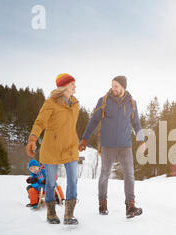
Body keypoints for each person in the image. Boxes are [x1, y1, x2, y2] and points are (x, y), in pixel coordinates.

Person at [78, 75, 146, 218]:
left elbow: (136, 124)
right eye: (112, 85)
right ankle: (102, 203)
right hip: (107, 145)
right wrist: (84, 139)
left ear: (123, 87)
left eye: (116, 86)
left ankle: (130, 206)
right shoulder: (103, 101)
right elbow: (93, 121)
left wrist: (141, 141)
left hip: (125, 146)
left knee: (130, 174)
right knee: (104, 174)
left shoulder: (132, 103)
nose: (113, 88)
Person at [25, 73, 80, 225]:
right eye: (72, 84)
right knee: (50, 182)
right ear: (63, 87)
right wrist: (32, 138)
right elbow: (40, 122)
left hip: (70, 148)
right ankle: (51, 213)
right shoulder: (50, 103)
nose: (75, 87)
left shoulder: (75, 104)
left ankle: (69, 215)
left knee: (73, 181)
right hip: (52, 148)